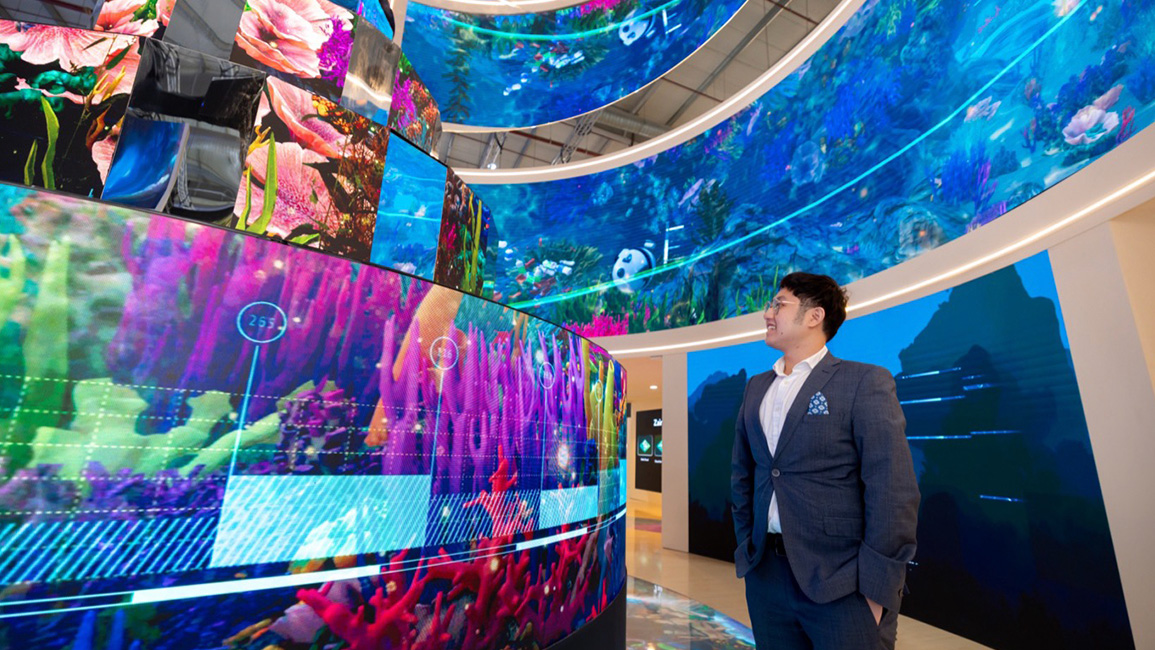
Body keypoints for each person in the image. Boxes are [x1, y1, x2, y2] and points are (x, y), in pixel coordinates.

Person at [731, 272, 920, 650]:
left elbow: (893, 490)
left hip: (843, 584)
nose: (768, 313)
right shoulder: (756, 388)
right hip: (766, 577)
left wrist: (876, 593)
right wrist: (747, 550)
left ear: (814, 316)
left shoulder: (863, 382)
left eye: (779, 304)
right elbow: (743, 475)